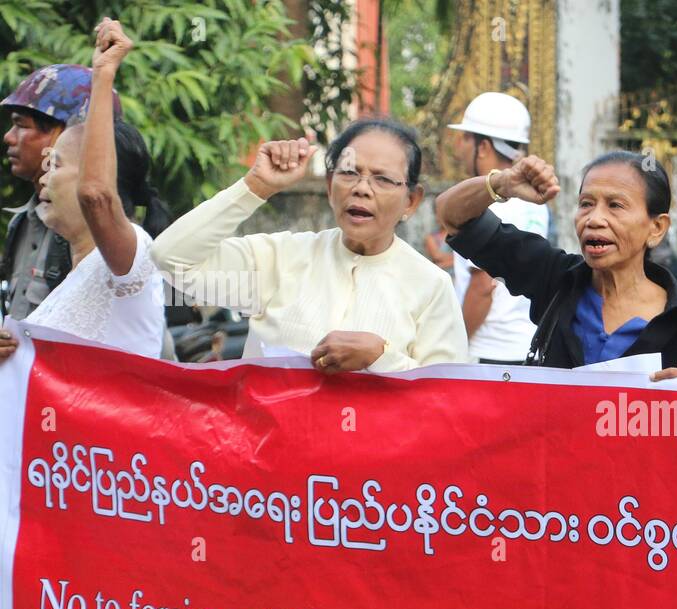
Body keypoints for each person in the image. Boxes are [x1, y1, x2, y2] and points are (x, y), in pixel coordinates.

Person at [152, 117, 467, 372]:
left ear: (411, 201)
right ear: (330, 187)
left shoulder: (431, 286)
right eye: (349, 173)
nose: (361, 188)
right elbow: (171, 258)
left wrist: (381, 358)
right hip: (270, 449)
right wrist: (255, 187)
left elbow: (445, 399)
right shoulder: (280, 258)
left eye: (382, 179)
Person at [437, 150, 677, 379]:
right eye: (586, 204)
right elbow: (453, 217)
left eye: (615, 206)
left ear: (656, 228)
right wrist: (502, 183)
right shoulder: (555, 281)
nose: (594, 219)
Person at [0, 19, 168, 362]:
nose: (46, 177)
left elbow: (96, 196)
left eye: (57, 164)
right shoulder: (30, 230)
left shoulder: (125, 253)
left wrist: (103, 73)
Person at [1, 64, 121, 319]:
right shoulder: (22, 223)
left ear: (71, 135)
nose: (9, 138)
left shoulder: (101, 231)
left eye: (21, 125)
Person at [444, 92, 547, 364]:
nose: (459, 148)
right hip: (524, 346)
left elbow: (482, 287)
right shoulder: (533, 202)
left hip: (490, 353)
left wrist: (454, 346)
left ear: (484, 147)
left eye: (465, 138)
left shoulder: (492, 205)